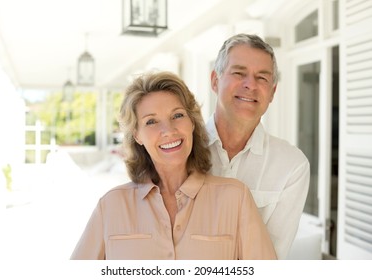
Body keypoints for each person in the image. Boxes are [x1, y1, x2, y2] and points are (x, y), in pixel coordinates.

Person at [70, 71, 277, 260]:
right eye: (151, 122)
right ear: (137, 135)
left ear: (192, 122)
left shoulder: (235, 198)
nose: (168, 130)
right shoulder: (111, 205)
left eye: (177, 115)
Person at [207, 33, 310, 259]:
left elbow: (270, 257)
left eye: (262, 78)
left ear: (272, 92)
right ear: (215, 81)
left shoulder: (292, 166)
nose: (250, 85)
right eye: (239, 73)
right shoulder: (177, 150)